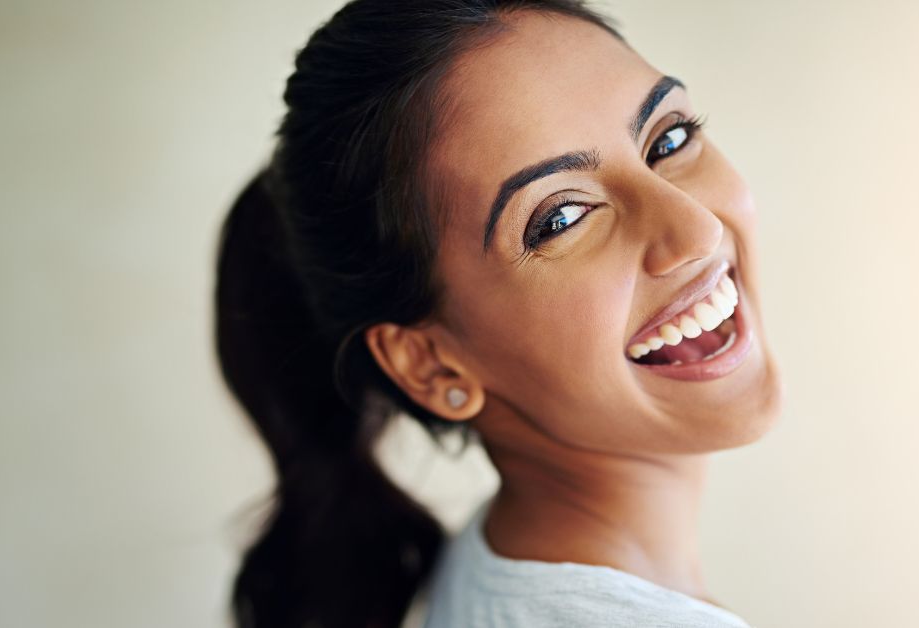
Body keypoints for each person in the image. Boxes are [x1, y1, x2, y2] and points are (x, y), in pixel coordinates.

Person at [213, 0, 785, 626]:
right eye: (559, 218)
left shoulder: (493, 561)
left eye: (668, 139)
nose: (696, 229)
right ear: (431, 366)